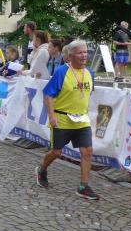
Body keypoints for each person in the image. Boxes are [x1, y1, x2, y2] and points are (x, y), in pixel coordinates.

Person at [36, 40, 99, 200]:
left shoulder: (90, 73)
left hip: (82, 120)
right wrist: (52, 115)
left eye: (85, 52)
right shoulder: (61, 72)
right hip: (62, 118)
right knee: (56, 152)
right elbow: (48, 95)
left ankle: (83, 186)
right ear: (70, 56)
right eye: (80, 52)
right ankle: (42, 169)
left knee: (87, 151)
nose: (84, 55)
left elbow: (85, 94)